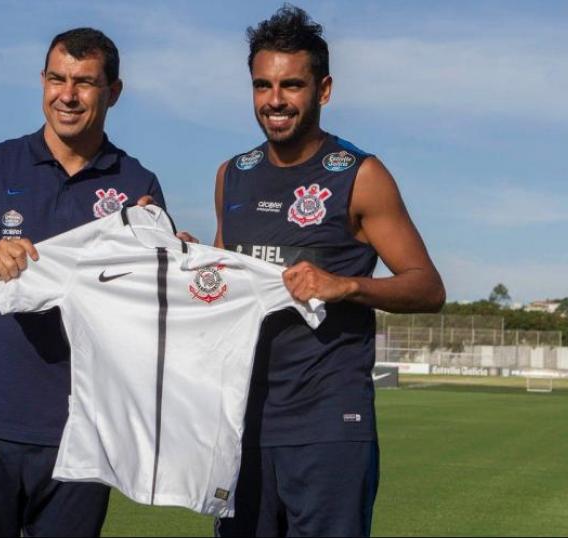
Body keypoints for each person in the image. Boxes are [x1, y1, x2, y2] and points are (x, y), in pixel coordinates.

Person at [0, 28, 173, 537]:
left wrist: (170, 254)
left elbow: (155, 310)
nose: (68, 95)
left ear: (113, 92)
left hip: (84, 432)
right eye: (57, 79)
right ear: (42, 81)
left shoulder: (137, 185)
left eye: (85, 82)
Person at [213, 6, 445, 537]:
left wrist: (347, 285)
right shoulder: (232, 175)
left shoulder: (361, 175)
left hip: (328, 424)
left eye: (292, 85)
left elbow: (428, 287)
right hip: (240, 421)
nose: (275, 100)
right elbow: (223, 284)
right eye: (263, 85)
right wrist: (183, 258)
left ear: (324, 89)